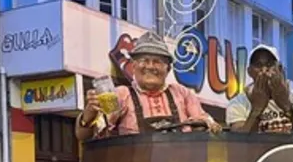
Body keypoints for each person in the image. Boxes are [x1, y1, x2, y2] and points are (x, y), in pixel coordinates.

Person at [75, 31, 221, 140]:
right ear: (133, 66)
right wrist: (88, 117)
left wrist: (207, 125)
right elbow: (86, 135)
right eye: (144, 60)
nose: (150, 66)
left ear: (168, 69)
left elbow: (206, 124)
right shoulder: (121, 94)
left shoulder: (182, 93)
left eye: (157, 61)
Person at [227, 45, 293, 134]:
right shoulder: (239, 102)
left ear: (279, 69)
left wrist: (287, 105)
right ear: (249, 72)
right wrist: (256, 110)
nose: (264, 70)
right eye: (258, 65)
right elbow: (238, 141)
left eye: (269, 64)